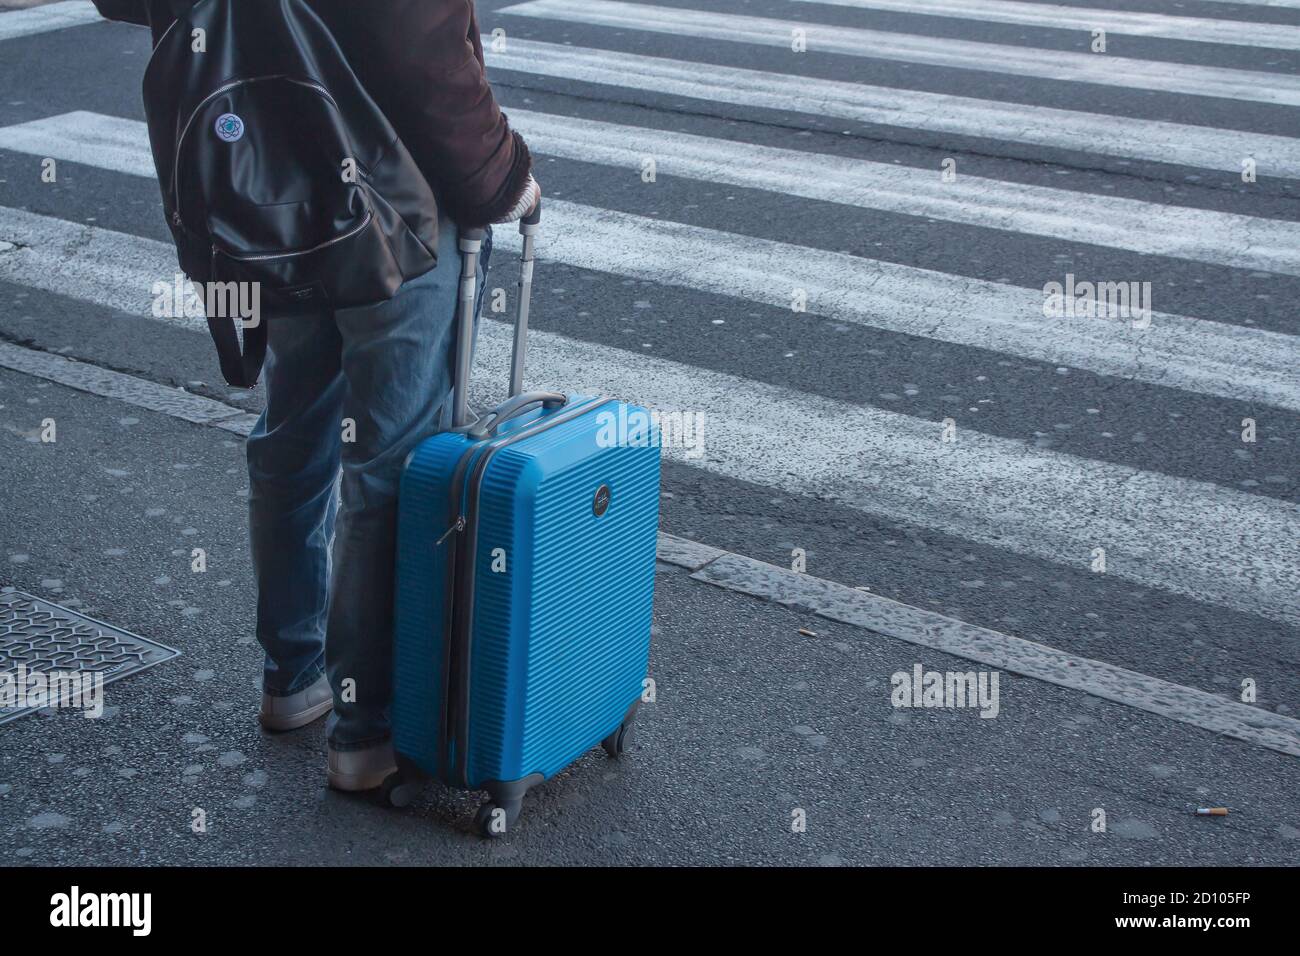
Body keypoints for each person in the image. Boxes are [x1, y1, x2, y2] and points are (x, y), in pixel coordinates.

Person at [91, 0, 541, 790]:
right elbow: (417, 45)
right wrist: (501, 177)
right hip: (387, 196)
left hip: (261, 178)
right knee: (392, 464)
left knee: (295, 427)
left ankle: (293, 675)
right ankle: (369, 735)